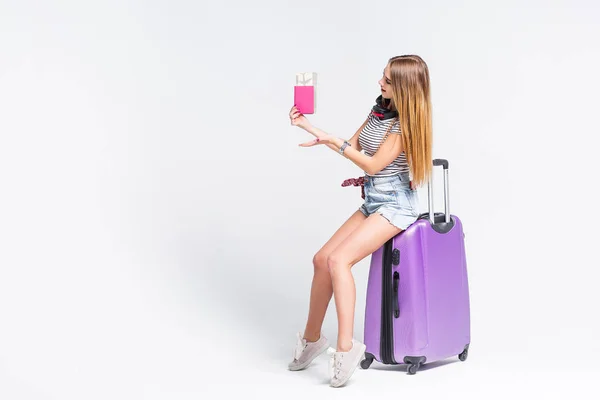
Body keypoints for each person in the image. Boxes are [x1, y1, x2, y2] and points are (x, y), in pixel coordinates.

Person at [287, 55, 433, 388]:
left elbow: (372, 165)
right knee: (321, 260)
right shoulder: (380, 109)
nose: (380, 83)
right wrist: (310, 127)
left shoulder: (404, 125)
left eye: (388, 81)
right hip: (374, 200)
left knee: (339, 261)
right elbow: (353, 147)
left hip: (396, 205)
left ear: (405, 89)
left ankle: (346, 348)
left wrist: (326, 137)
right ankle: (312, 339)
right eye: (382, 77)